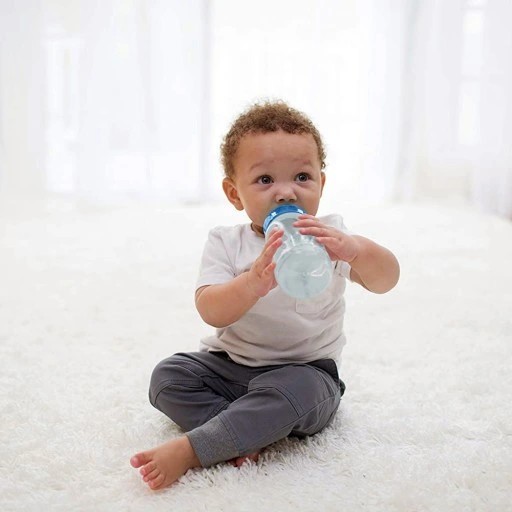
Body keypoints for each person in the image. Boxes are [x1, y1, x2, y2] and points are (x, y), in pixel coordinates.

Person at [130, 100, 400, 490]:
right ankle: (246, 430)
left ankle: (197, 447)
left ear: (321, 184)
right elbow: (211, 310)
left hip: (305, 373)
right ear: (234, 193)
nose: (286, 192)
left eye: (302, 177)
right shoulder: (226, 243)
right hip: (231, 367)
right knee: (167, 378)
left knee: (301, 394)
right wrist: (251, 283)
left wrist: (356, 250)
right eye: (265, 180)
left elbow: (386, 279)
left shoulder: (329, 237)